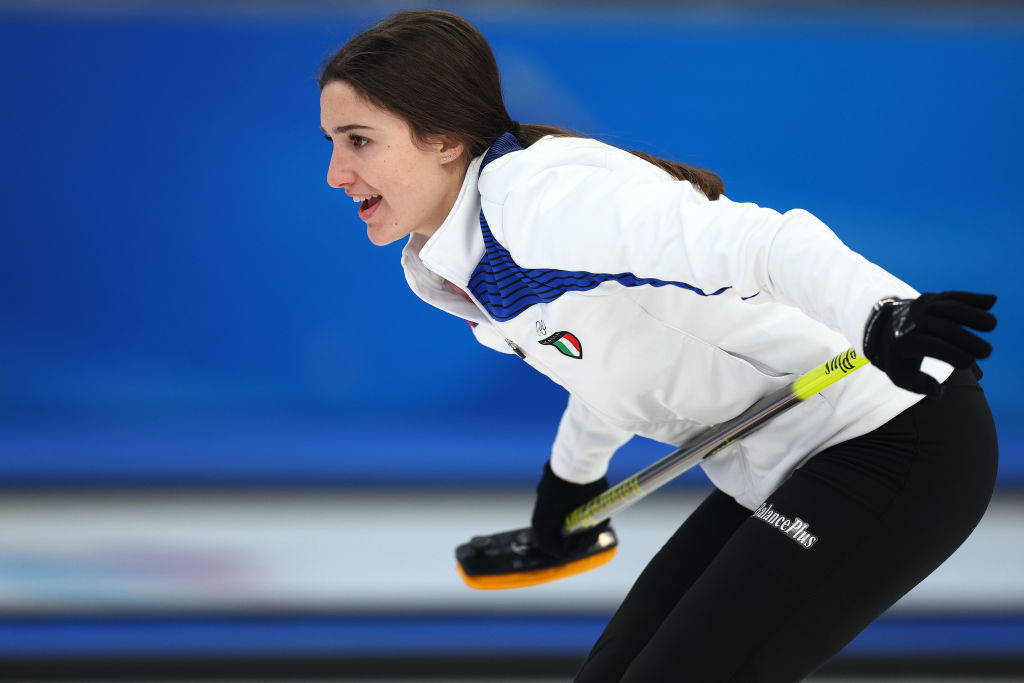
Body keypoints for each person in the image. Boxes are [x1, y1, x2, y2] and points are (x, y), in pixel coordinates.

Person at [317, 10, 998, 682]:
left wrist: (879, 314)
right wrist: (571, 480)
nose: (336, 173)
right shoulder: (448, 263)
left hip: (896, 439)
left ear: (441, 138)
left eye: (359, 141)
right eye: (332, 142)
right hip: (781, 457)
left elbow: (762, 242)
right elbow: (610, 358)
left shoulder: (541, 201)